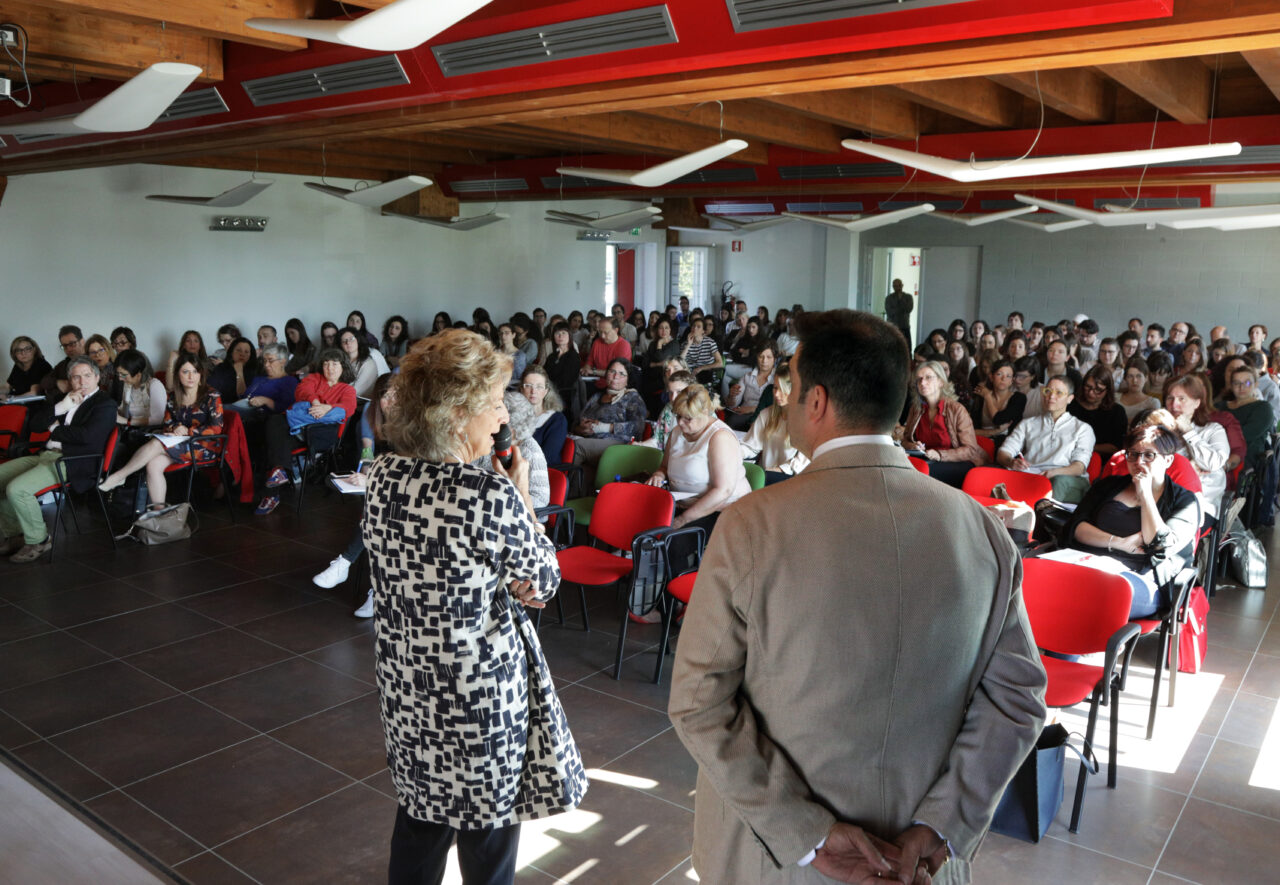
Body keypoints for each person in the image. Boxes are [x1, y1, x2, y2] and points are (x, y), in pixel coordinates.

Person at [669, 308, 1046, 885]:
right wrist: (942, 824)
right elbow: (1017, 700)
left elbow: (698, 700)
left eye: (790, 386)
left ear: (815, 401)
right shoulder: (981, 529)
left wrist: (808, 832)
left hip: (779, 857)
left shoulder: (753, 525)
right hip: (914, 857)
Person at [362, 330, 587, 884]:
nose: (501, 418)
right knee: (487, 838)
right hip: (477, 699)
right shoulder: (483, 493)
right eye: (491, 404)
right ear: (454, 413)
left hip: (409, 686)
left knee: (420, 823)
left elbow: (444, 571)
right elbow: (546, 577)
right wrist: (521, 496)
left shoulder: (382, 477)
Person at [1060, 424, 1199, 618]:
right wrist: (1120, 543)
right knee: (1048, 584)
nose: (1138, 461)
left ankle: (1087, 646)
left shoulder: (1185, 501)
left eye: (1149, 455)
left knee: (1096, 596)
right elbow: (1076, 526)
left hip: (1142, 579)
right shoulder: (1108, 486)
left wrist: (1145, 496)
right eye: (1132, 454)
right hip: (1089, 564)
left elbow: (1160, 545)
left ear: (1168, 460)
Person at [0, 356, 118, 562]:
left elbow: (86, 437)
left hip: (73, 461)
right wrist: (60, 408)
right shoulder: (63, 399)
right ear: (70, 380)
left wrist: (54, 428)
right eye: (76, 377)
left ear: (97, 377)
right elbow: (35, 425)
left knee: (17, 489)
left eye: (87, 376)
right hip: (45, 455)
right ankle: (16, 534)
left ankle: (39, 539)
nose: (82, 382)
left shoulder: (105, 404)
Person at [314, 373, 396, 618]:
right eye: (385, 396)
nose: (391, 401)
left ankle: (346, 564)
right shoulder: (372, 414)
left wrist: (372, 480)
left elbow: (410, 473)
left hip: (410, 495)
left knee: (378, 514)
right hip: (388, 491)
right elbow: (368, 453)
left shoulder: (413, 427)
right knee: (376, 512)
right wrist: (365, 474)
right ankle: (374, 590)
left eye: (397, 395)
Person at [100, 353, 224, 510]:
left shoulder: (211, 395)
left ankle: (119, 476)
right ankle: (159, 513)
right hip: (178, 444)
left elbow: (216, 428)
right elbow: (167, 423)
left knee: (157, 443)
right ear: (178, 374)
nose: (191, 376)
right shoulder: (173, 396)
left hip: (204, 446)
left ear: (201, 374)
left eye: (195, 371)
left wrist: (188, 431)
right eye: (185, 372)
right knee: (153, 464)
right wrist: (174, 429)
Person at [254, 348, 358, 516]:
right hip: (299, 429)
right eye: (326, 364)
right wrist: (315, 402)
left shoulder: (347, 389)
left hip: (322, 434)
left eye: (334, 364)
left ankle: (274, 489)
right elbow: (302, 390)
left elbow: (348, 408)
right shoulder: (314, 378)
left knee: (277, 440)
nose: (330, 368)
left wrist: (328, 408)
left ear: (343, 367)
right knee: (274, 422)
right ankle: (279, 472)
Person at [646, 384, 750, 532]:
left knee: (668, 541)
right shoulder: (677, 432)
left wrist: (682, 520)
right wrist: (659, 474)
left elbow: (723, 491)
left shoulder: (719, 437)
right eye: (678, 416)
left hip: (719, 510)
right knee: (640, 522)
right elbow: (664, 466)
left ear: (705, 412)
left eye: (688, 418)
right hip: (681, 505)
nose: (680, 422)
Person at [997, 375, 1095, 502]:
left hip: (1066, 479)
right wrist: (1012, 462)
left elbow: (1079, 467)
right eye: (1048, 391)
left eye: (1059, 393)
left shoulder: (1082, 428)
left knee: (1058, 482)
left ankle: (1044, 518)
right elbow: (1003, 453)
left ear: (1070, 399)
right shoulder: (1028, 423)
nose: (1051, 397)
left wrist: (1053, 473)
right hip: (1033, 475)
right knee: (993, 473)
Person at [899, 360, 986, 487]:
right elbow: (905, 441)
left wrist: (940, 455)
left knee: (921, 474)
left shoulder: (956, 409)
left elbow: (970, 450)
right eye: (919, 379)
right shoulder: (916, 409)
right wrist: (914, 446)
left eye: (928, 378)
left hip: (958, 463)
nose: (922, 383)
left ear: (941, 382)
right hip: (928, 460)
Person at [1165, 374, 1230, 521]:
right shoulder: (1160, 431)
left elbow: (1214, 462)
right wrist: (1186, 468)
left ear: (1196, 403)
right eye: (1170, 398)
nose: (1174, 405)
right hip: (1162, 500)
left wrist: (1189, 432)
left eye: (1182, 399)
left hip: (1203, 505)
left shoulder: (1213, 429)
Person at [571, 359, 647, 467]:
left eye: (622, 374)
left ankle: (565, 483)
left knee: (578, 446)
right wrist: (581, 429)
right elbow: (576, 423)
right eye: (612, 371)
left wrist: (604, 427)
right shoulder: (596, 396)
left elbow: (638, 427)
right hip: (589, 439)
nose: (616, 376)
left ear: (627, 380)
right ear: (606, 374)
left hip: (618, 443)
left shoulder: (632, 397)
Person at [740, 364, 808, 483]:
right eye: (775, 388)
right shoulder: (766, 414)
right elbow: (751, 445)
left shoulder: (805, 420)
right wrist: (733, 452)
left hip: (789, 479)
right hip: (764, 475)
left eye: (782, 389)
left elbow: (801, 462)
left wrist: (777, 470)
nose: (776, 394)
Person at [226, 342, 298, 427]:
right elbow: (243, 396)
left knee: (219, 410)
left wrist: (266, 400)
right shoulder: (258, 379)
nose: (266, 365)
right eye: (264, 361)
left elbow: (286, 408)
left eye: (270, 360)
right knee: (219, 409)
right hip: (243, 412)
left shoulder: (289, 381)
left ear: (283, 361)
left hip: (261, 418)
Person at [1068, 363, 1128, 457]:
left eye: (1098, 390)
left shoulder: (1117, 412)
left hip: (1100, 459)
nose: (1091, 393)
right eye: (1088, 387)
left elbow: (1116, 447)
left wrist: (1086, 447)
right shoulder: (1071, 404)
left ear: (1107, 390)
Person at [725, 341, 777, 431]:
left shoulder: (777, 379)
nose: (764, 361)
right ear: (757, 357)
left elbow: (778, 406)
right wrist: (732, 396)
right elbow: (733, 405)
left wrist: (753, 409)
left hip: (766, 416)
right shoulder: (747, 377)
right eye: (761, 356)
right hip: (743, 414)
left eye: (769, 357)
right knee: (730, 419)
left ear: (775, 359)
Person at [521, 366, 567, 465]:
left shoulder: (557, 420)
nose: (533, 391)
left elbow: (547, 458)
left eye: (539, 386)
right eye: (528, 385)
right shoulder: (512, 416)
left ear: (546, 391)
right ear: (521, 389)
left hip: (541, 473)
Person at [970, 358, 1025, 442]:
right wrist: (995, 432)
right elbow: (971, 431)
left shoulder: (1019, 398)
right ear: (991, 377)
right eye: (999, 374)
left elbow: (998, 420)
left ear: (1012, 380)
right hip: (981, 442)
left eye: (1008, 376)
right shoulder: (981, 397)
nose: (1003, 379)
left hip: (1007, 444)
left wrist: (988, 397)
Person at [113, 350, 167, 428]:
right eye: (118, 374)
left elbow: (157, 420)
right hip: (133, 430)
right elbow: (123, 410)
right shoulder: (128, 385)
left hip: (151, 431)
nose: (120, 378)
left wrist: (127, 421)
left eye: (124, 375)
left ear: (138, 374)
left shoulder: (154, 385)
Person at [579, 317, 631, 390]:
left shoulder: (624, 345)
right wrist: (586, 368)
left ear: (616, 330)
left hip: (614, 384)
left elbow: (617, 373)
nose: (602, 336)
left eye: (606, 333)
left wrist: (593, 371)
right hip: (595, 381)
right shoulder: (597, 342)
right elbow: (590, 360)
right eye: (600, 332)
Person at [649, 370, 694, 451]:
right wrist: (640, 445)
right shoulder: (668, 408)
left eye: (679, 392)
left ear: (691, 391)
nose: (673, 398)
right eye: (670, 393)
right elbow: (657, 440)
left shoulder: (703, 412)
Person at [542, 322, 580, 415]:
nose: (560, 336)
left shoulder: (573, 356)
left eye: (564, 333)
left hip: (563, 395)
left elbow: (566, 381)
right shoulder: (552, 356)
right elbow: (544, 374)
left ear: (569, 335)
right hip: (548, 391)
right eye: (557, 333)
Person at [208, 337, 258, 404]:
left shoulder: (254, 371)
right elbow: (211, 390)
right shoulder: (221, 368)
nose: (242, 354)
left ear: (250, 356)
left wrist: (239, 372)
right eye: (238, 350)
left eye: (246, 352)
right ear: (231, 352)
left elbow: (243, 397)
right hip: (221, 407)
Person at [337, 326, 381, 398]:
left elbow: (356, 391)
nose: (348, 342)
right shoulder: (341, 362)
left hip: (360, 404)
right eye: (344, 341)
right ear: (341, 346)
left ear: (358, 340)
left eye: (351, 339)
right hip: (341, 398)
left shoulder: (369, 363)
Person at [680, 317, 723, 385]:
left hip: (705, 373)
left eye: (698, 327)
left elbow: (720, 363)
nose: (695, 328)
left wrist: (701, 368)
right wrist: (688, 345)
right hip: (690, 374)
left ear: (703, 331)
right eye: (693, 326)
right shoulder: (685, 344)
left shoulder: (710, 342)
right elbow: (680, 361)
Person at [1118, 357, 1161, 424]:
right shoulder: (1115, 397)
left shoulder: (1153, 403)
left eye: (1139, 376)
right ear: (1125, 379)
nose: (1134, 380)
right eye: (1130, 376)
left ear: (1146, 378)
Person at [497, 323, 527, 389]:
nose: (503, 336)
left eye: (506, 333)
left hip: (512, 389)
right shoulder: (495, 353)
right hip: (497, 387)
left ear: (513, 335)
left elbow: (518, 378)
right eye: (501, 333)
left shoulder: (520, 355)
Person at [884, 277, 914, 345]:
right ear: (893, 287)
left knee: (907, 346)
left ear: (902, 285)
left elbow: (908, 309)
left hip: (905, 325)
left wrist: (901, 300)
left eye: (899, 285)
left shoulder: (908, 297)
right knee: (892, 346)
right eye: (895, 286)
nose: (897, 288)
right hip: (892, 326)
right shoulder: (889, 298)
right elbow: (890, 312)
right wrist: (901, 309)